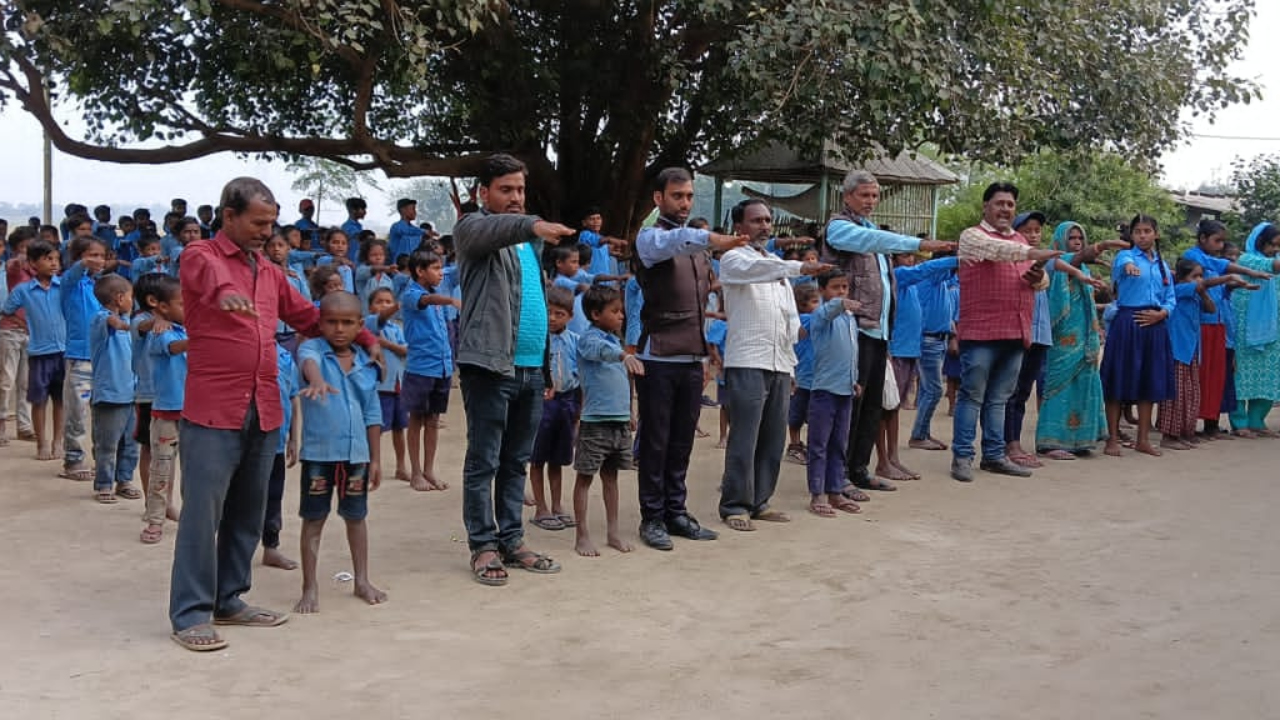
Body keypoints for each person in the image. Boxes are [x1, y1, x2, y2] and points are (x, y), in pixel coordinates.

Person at [167, 177, 383, 652]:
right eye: (258, 222)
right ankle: (190, 614)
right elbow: (209, 278)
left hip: (265, 407)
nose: (267, 231)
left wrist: (368, 339)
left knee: (248, 511)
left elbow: (309, 317)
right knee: (203, 515)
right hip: (213, 409)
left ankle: (229, 599)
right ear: (229, 216)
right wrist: (225, 293)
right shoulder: (200, 256)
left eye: (271, 223)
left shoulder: (270, 273)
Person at [453, 154, 576, 584]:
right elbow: (493, 230)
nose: (515, 198)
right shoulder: (472, 229)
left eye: (520, 190)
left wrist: (543, 369)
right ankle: (483, 547)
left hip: (528, 370)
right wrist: (531, 224)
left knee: (515, 461)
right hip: (489, 366)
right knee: (484, 460)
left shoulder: (530, 243)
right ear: (482, 193)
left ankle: (512, 539)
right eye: (506, 189)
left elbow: (535, 306)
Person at [633, 167, 748, 550]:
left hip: (692, 357)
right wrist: (713, 238)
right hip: (659, 355)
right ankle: (652, 518)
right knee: (655, 440)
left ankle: (676, 512)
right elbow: (679, 241)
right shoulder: (651, 239)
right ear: (658, 199)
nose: (683, 203)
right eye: (677, 196)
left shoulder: (699, 254)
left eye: (688, 196)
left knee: (681, 440)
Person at [824, 170, 954, 495]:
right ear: (847, 196)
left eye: (875, 196)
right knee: (850, 405)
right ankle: (836, 475)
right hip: (853, 329)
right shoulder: (840, 228)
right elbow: (875, 242)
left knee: (872, 405)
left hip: (879, 331)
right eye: (864, 195)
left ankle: (858, 469)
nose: (870, 201)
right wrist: (920, 243)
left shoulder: (870, 230)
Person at [716, 198, 830, 532]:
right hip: (748, 359)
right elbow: (756, 272)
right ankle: (735, 503)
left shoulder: (777, 267)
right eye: (756, 220)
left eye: (767, 220)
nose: (764, 226)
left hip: (780, 362)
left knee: (773, 436)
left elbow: (789, 315)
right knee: (745, 435)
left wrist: (793, 357)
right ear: (740, 227)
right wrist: (799, 268)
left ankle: (760, 500)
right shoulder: (734, 258)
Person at [293, 292, 386, 613]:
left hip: (356, 457)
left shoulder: (366, 363)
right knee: (313, 519)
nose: (339, 329)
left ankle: (362, 580)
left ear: (360, 325)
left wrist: (375, 459)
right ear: (320, 323)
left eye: (348, 323)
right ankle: (310, 587)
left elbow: (373, 413)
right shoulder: (312, 349)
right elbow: (309, 364)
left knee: (356, 517)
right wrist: (317, 380)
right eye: (331, 322)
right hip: (319, 456)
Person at [1035, 223, 1122, 459]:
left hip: (1085, 336)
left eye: (1080, 238)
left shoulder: (1081, 267)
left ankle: (1079, 440)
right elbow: (1075, 259)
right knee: (1058, 387)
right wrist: (1104, 245)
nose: (1076, 241)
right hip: (1062, 339)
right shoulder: (1057, 263)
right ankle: (1051, 443)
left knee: (1084, 383)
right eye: (1071, 237)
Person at [1183, 219, 1271, 438]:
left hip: (1220, 325)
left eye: (1223, 241)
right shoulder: (1193, 256)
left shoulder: (1213, 260)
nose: (1220, 246)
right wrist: (1236, 276)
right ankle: (1189, 425)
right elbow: (1216, 273)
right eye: (1217, 240)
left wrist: (1245, 279)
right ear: (1202, 239)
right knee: (1200, 375)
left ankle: (1211, 424)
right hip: (1201, 323)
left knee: (1216, 376)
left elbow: (1226, 272)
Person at [572, 285, 641, 556]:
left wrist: (630, 412)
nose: (621, 315)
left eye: (621, 311)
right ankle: (582, 536)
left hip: (619, 420)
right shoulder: (589, 339)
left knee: (611, 478)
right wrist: (623, 355)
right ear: (595, 314)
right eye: (615, 311)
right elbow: (598, 351)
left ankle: (613, 532)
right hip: (595, 421)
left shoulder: (615, 340)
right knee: (585, 478)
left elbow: (624, 380)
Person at [1100, 215, 1176, 457]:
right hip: (1128, 323)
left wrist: (1162, 313)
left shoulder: (1163, 267)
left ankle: (1142, 439)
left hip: (1155, 325)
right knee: (1117, 380)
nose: (1142, 235)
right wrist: (1128, 267)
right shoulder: (1126, 256)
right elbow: (1124, 264)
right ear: (1131, 236)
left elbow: (1171, 298)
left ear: (1156, 234)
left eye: (1147, 231)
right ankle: (1111, 439)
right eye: (1138, 231)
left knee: (1149, 381)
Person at [1160, 259, 1251, 449]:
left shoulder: (1195, 294)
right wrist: (1225, 278)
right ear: (1183, 278)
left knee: (1192, 392)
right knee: (1177, 394)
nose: (1199, 280)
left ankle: (1186, 431)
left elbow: (1211, 309)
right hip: (1178, 349)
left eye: (1201, 276)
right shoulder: (1179, 290)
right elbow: (1204, 285)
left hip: (1192, 349)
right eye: (1195, 276)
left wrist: (1203, 293)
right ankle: (1169, 435)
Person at [806, 272, 864, 517]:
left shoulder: (849, 318)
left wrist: (855, 378)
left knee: (839, 443)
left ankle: (835, 490)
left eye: (845, 287)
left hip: (845, 389)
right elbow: (828, 311)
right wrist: (839, 303)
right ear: (821, 290)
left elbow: (851, 351)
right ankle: (817, 493)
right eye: (835, 287)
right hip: (824, 389)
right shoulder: (820, 316)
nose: (842, 291)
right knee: (819, 444)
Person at [2, 240, 65, 460]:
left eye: (56, 259)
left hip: (63, 350)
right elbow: (7, 310)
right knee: (39, 400)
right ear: (32, 263)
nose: (54, 263)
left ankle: (58, 441)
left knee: (60, 400)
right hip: (39, 351)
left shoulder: (63, 286)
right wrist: (24, 325)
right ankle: (42, 443)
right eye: (48, 259)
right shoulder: (24, 290)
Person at [400, 248, 455, 492]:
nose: (440, 272)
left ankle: (429, 469)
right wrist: (450, 300)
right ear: (420, 272)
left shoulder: (436, 293)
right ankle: (415, 472)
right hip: (421, 367)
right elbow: (426, 301)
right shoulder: (412, 293)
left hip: (441, 366)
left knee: (433, 419)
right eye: (435, 268)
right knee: (416, 419)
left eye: (441, 267)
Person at [1002, 211, 1052, 468]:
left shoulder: (1041, 259)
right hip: (1019, 333)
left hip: (1041, 334)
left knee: (1022, 392)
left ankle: (1013, 443)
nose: (1033, 235)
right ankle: (1009, 444)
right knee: (1011, 391)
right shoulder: (1011, 258)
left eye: (1037, 230)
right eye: (1028, 230)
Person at [529, 286, 579, 531]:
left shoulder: (575, 342)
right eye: (548, 312)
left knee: (558, 459)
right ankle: (541, 507)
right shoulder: (537, 339)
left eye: (559, 314)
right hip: (542, 402)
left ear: (570, 316)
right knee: (538, 457)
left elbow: (579, 376)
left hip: (567, 402)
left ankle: (557, 505)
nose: (552, 318)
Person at [60, 233, 109, 483]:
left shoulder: (100, 286)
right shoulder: (70, 284)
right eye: (92, 255)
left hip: (102, 358)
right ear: (78, 258)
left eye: (101, 255)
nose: (98, 260)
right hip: (79, 357)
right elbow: (73, 274)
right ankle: (73, 457)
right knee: (77, 411)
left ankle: (101, 460)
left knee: (101, 411)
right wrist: (82, 264)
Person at [142, 276, 187, 543]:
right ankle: (155, 520)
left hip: (193, 413)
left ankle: (189, 517)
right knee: (161, 470)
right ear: (161, 307)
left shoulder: (186, 330)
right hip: (166, 414)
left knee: (192, 471)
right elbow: (171, 349)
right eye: (182, 304)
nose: (187, 308)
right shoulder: (161, 332)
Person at [89, 274, 140, 504]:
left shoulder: (129, 322)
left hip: (131, 395)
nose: (133, 301)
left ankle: (124, 480)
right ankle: (104, 484)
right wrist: (123, 323)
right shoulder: (101, 319)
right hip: (110, 395)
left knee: (131, 443)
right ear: (120, 298)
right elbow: (110, 322)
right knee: (107, 444)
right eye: (130, 297)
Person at [1228, 223, 1280, 437]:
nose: (1274, 250)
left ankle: (1257, 421)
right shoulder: (1247, 260)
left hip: (1271, 330)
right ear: (1261, 242)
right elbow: (1272, 266)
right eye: (1272, 245)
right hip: (1244, 330)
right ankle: (1240, 423)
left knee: (1269, 376)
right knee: (1240, 377)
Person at [908, 247, 958, 450]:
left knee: (928, 390)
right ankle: (919, 435)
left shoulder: (942, 282)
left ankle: (923, 432)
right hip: (929, 340)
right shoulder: (930, 278)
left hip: (937, 339)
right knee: (935, 390)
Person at [261, 339, 301, 569]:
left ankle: (271, 547)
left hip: (276, 440)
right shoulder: (243, 349)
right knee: (242, 499)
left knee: (273, 496)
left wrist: (295, 438)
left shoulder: (285, 357)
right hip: (248, 443)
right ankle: (233, 553)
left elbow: (294, 397)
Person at [365, 287, 409, 483]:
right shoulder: (368, 325)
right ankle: (373, 465)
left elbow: (406, 351)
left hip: (398, 383)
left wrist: (385, 344)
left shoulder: (396, 328)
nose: (384, 305)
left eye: (388, 302)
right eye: (379, 301)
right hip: (380, 386)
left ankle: (401, 466)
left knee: (400, 427)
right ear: (370, 307)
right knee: (377, 429)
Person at [1, 228, 36, 444]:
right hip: (11, 329)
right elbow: (13, 265)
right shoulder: (15, 267)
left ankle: (24, 425)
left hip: (31, 330)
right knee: (6, 380)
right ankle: (2, 425)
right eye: (24, 248)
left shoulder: (39, 272)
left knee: (26, 382)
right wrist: (22, 259)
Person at [786, 283, 820, 463]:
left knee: (809, 413)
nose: (819, 306)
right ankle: (794, 445)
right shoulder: (805, 320)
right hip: (803, 376)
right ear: (801, 304)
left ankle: (800, 444)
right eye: (815, 301)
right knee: (797, 413)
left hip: (812, 376)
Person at [355, 238, 397, 312]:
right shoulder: (361, 271)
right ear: (366, 256)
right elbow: (372, 270)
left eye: (381, 255)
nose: (378, 257)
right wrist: (385, 268)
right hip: (365, 317)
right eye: (374, 255)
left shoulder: (388, 280)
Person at [315, 229, 355, 293]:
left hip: (347, 299)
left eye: (344, 243)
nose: (340, 246)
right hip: (331, 300)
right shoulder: (323, 259)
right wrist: (343, 261)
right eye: (335, 242)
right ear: (327, 244)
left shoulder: (347, 265)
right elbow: (335, 260)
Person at [390, 198, 425, 263]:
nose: (415, 212)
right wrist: (424, 231)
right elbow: (405, 231)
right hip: (398, 267)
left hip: (413, 266)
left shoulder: (417, 231)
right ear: (403, 210)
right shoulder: (396, 226)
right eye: (413, 209)